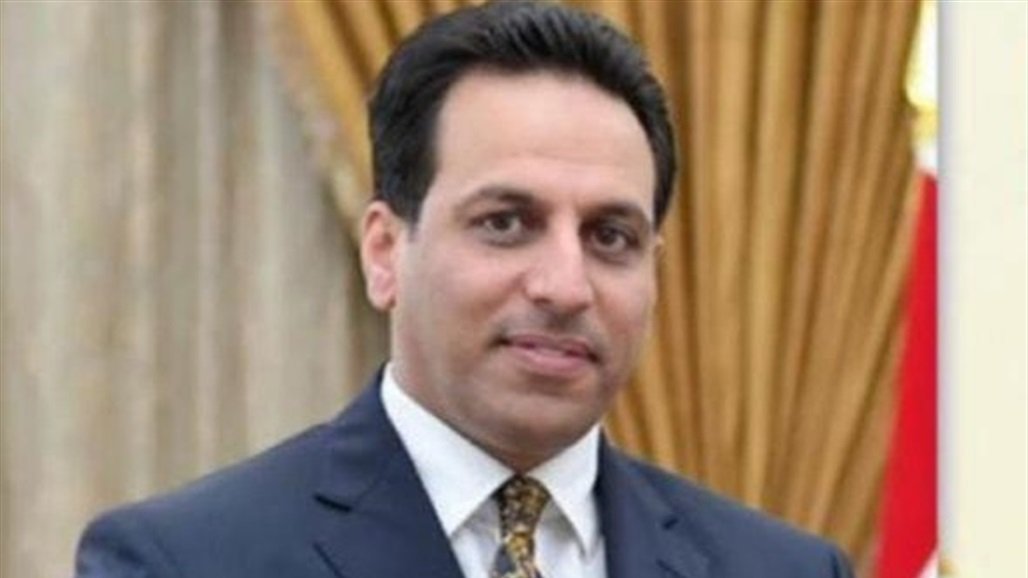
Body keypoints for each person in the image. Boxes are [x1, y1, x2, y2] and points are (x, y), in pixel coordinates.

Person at [75, 2, 854, 577]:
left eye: (609, 236)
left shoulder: (785, 569)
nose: (565, 285)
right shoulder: (185, 561)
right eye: (506, 223)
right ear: (385, 252)